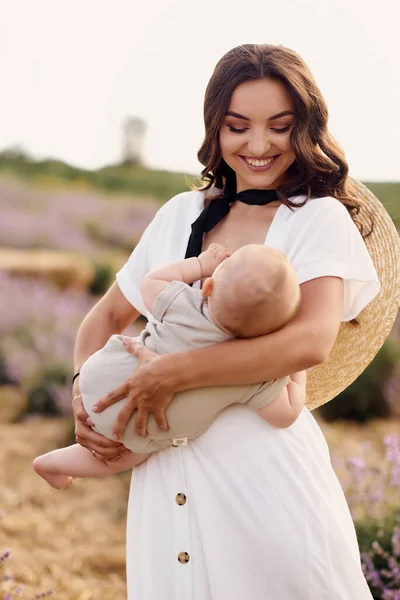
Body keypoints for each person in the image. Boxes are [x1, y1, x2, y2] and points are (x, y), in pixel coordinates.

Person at [70, 44, 385, 599]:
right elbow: (105, 318)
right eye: (238, 126)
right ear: (216, 126)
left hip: (266, 481)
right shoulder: (179, 215)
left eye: (280, 126)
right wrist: (83, 396)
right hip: (164, 483)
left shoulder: (318, 218)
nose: (258, 145)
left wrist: (174, 375)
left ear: (306, 128)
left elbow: (311, 341)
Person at [33, 242, 306, 489]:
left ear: (208, 287)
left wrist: (200, 264)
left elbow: (150, 282)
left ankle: (50, 462)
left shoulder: (186, 304)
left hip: (99, 379)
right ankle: (55, 464)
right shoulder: (253, 374)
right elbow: (286, 414)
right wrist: (294, 362)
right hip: (141, 429)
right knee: (118, 458)